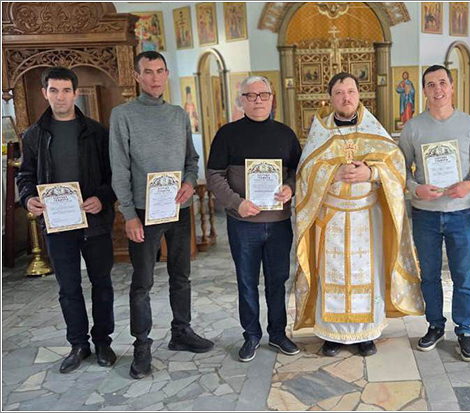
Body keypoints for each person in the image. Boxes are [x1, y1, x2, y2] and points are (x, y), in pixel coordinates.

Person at [294, 72, 424, 357]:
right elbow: (305, 173)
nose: (346, 97)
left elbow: (396, 165)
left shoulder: (372, 128)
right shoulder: (321, 132)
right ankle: (332, 335)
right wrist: (332, 172)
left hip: (367, 217)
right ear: (331, 98)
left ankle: (367, 334)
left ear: (358, 94)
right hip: (331, 219)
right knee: (332, 272)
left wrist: (372, 172)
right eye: (339, 93)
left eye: (350, 91)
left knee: (367, 271)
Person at [110, 51, 213, 380]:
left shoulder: (178, 114)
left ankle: (181, 331)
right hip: (143, 213)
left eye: (159, 71)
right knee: (142, 282)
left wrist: (188, 182)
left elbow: (191, 160)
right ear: (137, 76)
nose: (154, 78)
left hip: (178, 209)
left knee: (181, 275)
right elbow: (119, 169)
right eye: (148, 72)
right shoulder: (122, 115)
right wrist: (129, 214)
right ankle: (142, 346)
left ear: (167, 74)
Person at [17, 67, 117, 373]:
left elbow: (114, 175)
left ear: (75, 93)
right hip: (58, 225)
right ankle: (78, 344)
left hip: (94, 222)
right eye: (53, 90)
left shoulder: (97, 132)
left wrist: (102, 198)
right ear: (44, 93)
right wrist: (28, 198)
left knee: (102, 284)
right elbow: (25, 176)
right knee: (68, 288)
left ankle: (103, 342)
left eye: (65, 90)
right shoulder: (33, 136)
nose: (60, 97)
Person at [399, 65, 470, 362]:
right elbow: (400, 168)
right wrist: (416, 188)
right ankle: (435, 326)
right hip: (425, 214)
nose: (437, 89)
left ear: (451, 86)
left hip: (460, 213)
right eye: (430, 84)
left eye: (442, 83)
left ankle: (464, 330)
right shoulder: (413, 128)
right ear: (423, 90)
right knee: (429, 276)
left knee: (463, 276)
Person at [206, 76, 302, 362]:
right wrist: (237, 203)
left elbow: (298, 172)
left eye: (263, 95)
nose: (258, 100)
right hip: (243, 223)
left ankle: (278, 333)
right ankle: (251, 335)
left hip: (278, 223)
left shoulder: (285, 134)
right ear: (242, 100)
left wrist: (290, 188)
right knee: (247, 281)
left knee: (278, 280)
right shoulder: (227, 134)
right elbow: (214, 176)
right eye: (251, 95)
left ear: (272, 98)